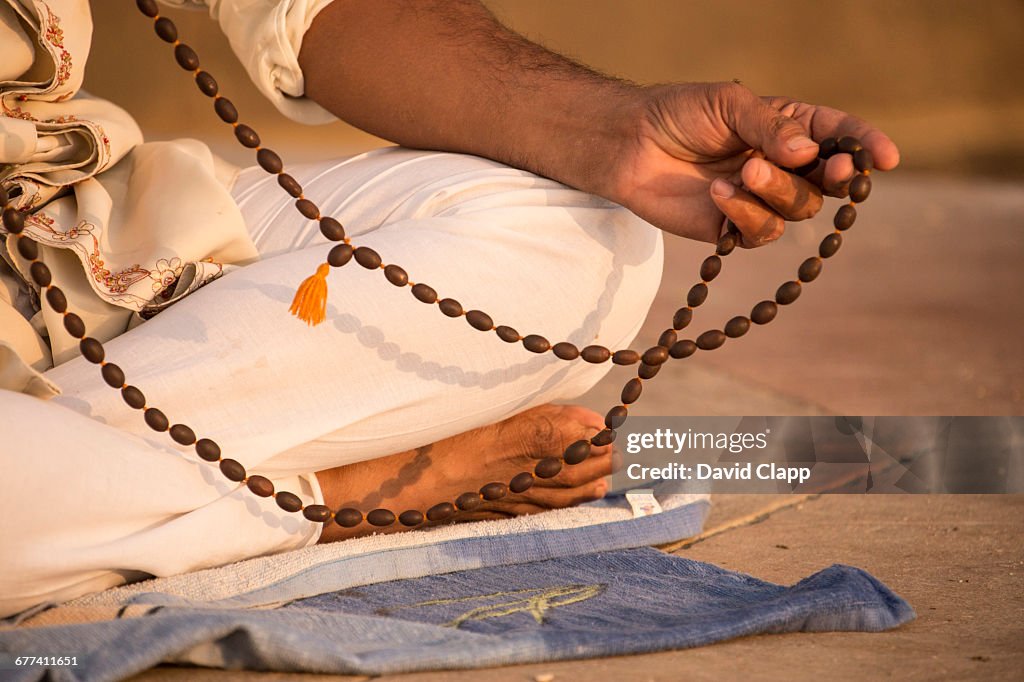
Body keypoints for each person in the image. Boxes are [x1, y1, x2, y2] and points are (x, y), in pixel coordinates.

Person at [0, 0, 899, 617]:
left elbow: (316, 7)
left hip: (79, 227)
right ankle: (343, 493)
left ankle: (111, 493)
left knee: (591, 232)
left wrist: (618, 133)